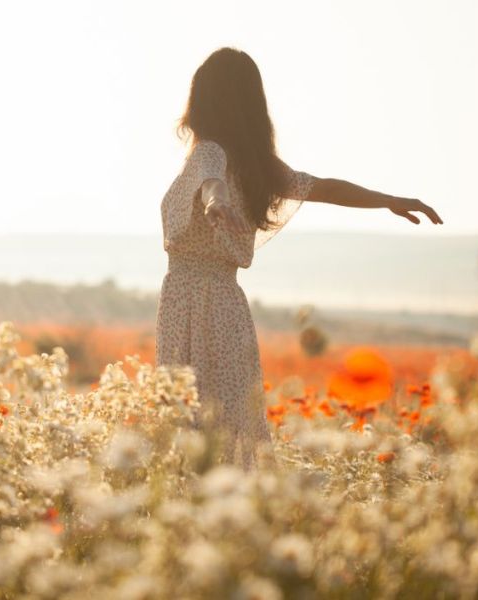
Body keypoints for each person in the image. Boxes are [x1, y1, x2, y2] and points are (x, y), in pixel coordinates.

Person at [156, 47, 443, 471]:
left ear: (203, 98)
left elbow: (212, 182)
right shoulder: (255, 167)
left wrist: (216, 202)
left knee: (192, 426)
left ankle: (197, 517)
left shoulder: (209, 152)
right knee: (230, 422)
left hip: (190, 301)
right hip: (227, 307)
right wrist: (388, 201)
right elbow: (323, 187)